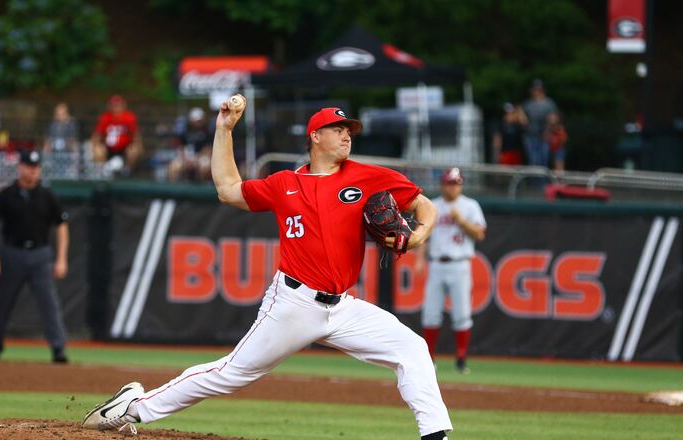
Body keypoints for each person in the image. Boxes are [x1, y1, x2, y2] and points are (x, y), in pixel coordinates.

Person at [82, 101, 453, 440]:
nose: (346, 136)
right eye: (338, 129)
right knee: (230, 374)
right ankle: (131, 408)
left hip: (343, 307)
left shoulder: (367, 176)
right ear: (315, 137)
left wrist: (418, 236)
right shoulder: (285, 184)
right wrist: (224, 130)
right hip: (294, 303)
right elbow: (228, 189)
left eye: (349, 131)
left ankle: (436, 435)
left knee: (413, 349)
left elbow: (424, 205)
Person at [0, 150, 70, 363]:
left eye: (36, 167)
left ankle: (58, 349)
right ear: (20, 167)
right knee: (2, 303)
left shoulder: (47, 195)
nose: (33, 171)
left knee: (48, 303)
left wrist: (61, 258)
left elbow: (62, 226)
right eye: (29, 167)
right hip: (12, 253)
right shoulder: (6, 194)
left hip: (40, 255)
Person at [416, 168, 485, 374]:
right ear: (442, 184)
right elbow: (424, 235)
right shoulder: (433, 205)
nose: (452, 187)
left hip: (460, 264)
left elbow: (480, 234)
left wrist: (462, 221)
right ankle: (429, 359)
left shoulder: (470, 206)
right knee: (430, 313)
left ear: (460, 185)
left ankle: (461, 358)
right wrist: (420, 259)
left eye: (455, 183)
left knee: (462, 314)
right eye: (448, 183)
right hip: (437, 264)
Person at [91, 95, 143, 175]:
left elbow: (136, 135)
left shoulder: (129, 117)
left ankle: (127, 171)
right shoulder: (105, 117)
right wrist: (95, 145)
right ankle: (104, 172)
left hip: (125, 148)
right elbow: (97, 135)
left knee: (133, 150)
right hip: (108, 148)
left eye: (118, 105)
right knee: (98, 150)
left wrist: (138, 147)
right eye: (113, 105)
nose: (116, 108)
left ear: (123, 106)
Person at [167, 107, 213, 182]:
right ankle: (175, 191)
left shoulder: (207, 131)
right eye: (195, 120)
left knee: (204, 166)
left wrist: (195, 159)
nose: (197, 123)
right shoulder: (185, 131)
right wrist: (186, 159)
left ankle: (200, 188)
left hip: (201, 157)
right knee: (173, 167)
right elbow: (181, 147)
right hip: (186, 157)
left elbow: (208, 150)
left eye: (199, 121)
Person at [522, 79, 558, 167]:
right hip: (530, 136)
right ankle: (534, 180)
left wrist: (549, 130)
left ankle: (543, 181)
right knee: (533, 161)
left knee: (543, 161)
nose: (536, 91)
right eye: (534, 89)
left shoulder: (549, 103)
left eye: (538, 89)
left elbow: (553, 119)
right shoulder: (527, 104)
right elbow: (522, 119)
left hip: (544, 137)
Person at [44, 102, 80, 178]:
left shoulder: (71, 124)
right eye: (57, 113)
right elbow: (48, 141)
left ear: (66, 113)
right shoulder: (53, 124)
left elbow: (73, 142)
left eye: (61, 113)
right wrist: (46, 154)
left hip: (67, 153)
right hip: (54, 153)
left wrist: (75, 157)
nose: (59, 115)